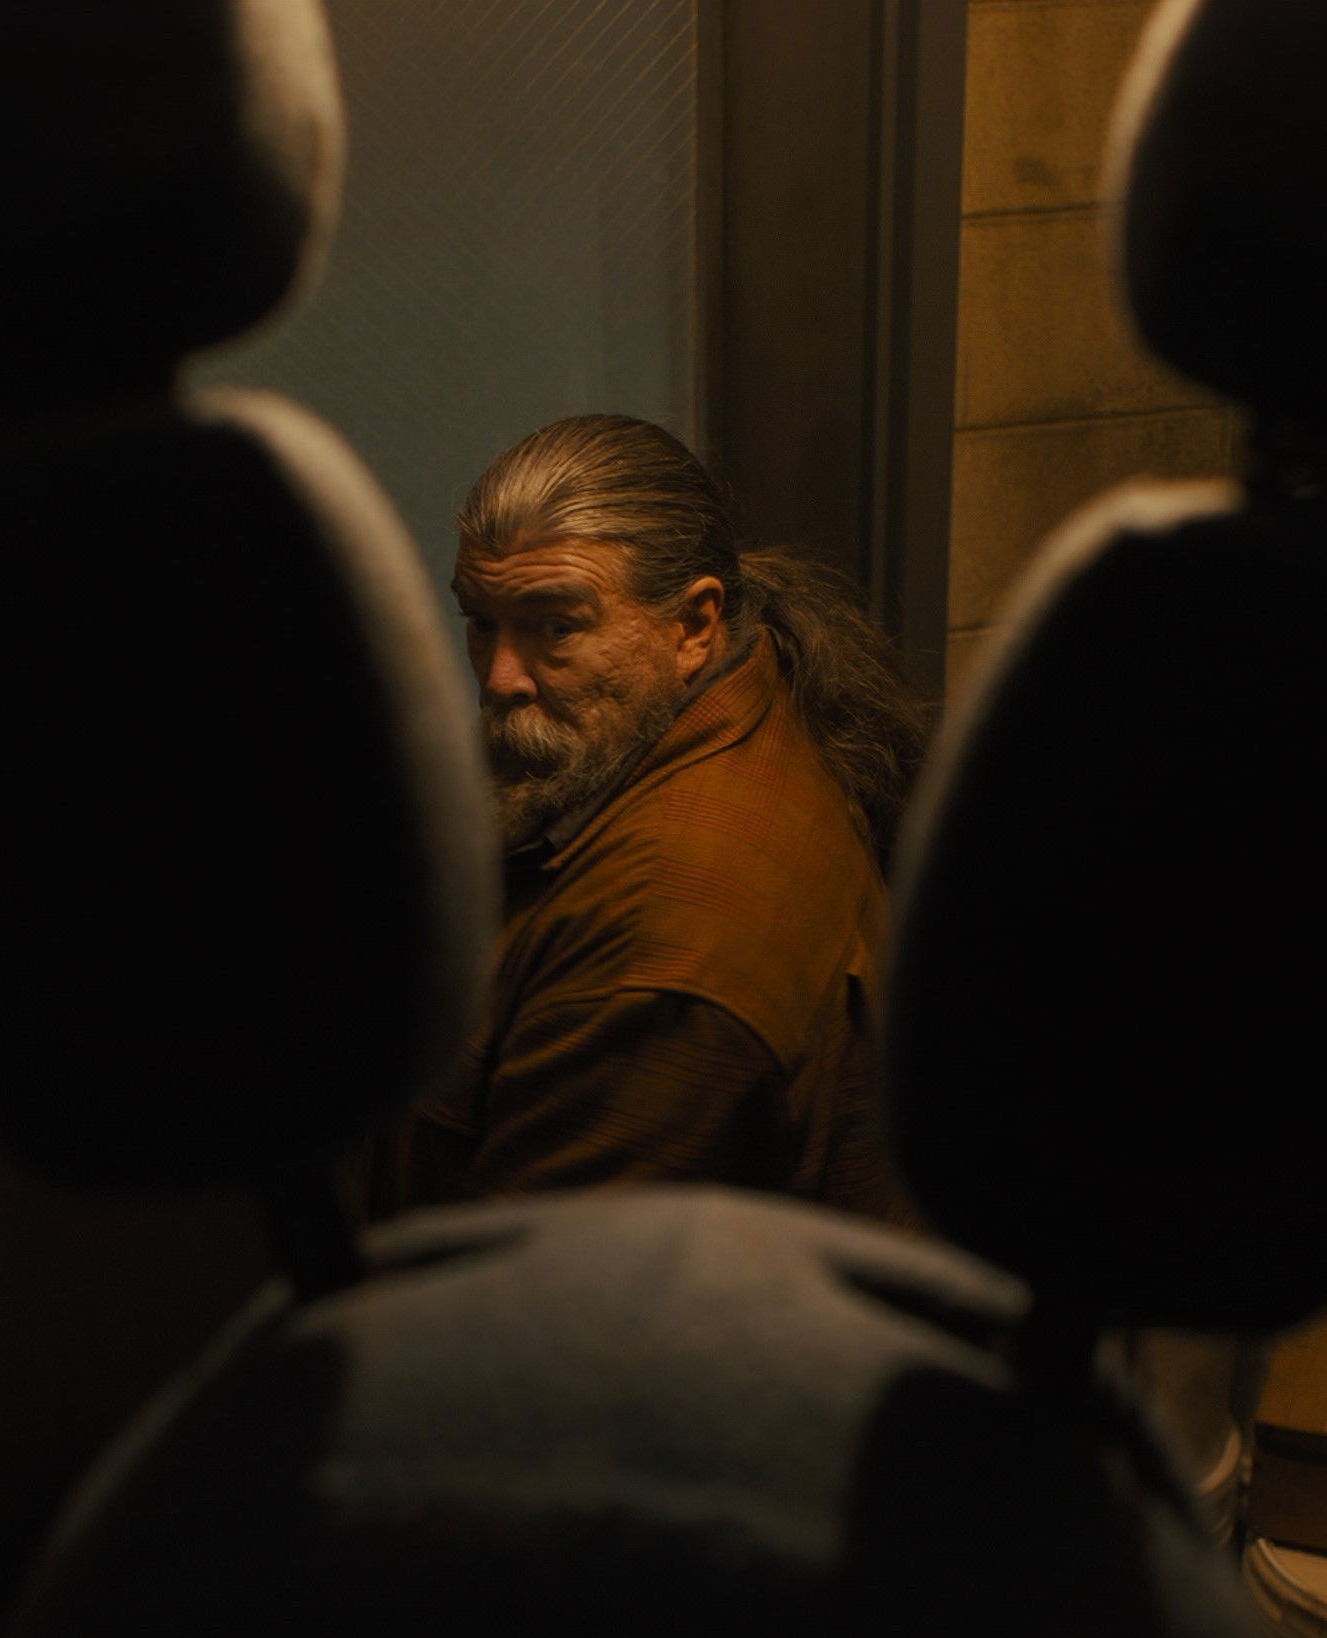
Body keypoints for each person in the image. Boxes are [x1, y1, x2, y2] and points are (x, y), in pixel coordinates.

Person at [368, 414, 929, 1220]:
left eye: (557, 627)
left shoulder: (662, 946)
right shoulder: (733, 679)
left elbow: (539, 1285)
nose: (500, 677)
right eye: (482, 623)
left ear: (694, 626)